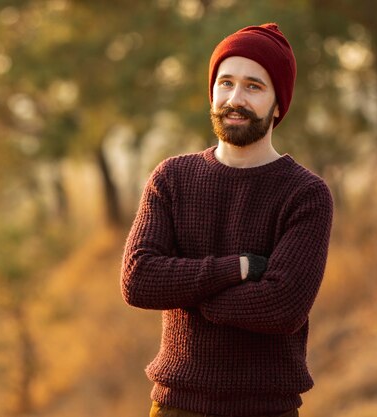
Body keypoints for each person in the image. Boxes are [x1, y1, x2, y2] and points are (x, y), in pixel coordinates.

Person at [121, 23, 333, 417]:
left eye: (254, 86)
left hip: (267, 409)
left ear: (278, 104)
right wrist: (239, 268)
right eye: (226, 83)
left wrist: (187, 292)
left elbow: (282, 307)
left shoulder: (306, 194)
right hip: (175, 405)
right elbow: (139, 280)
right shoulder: (171, 178)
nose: (235, 98)